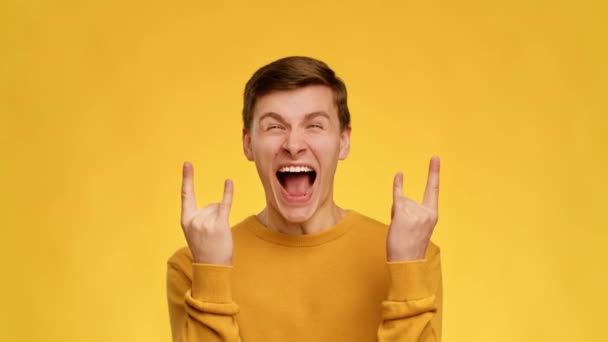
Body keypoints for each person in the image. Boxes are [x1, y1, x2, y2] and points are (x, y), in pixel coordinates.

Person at [166, 56, 442, 341]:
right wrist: (211, 275)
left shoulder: (415, 255)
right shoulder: (194, 265)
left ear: (343, 141)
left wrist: (407, 270)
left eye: (314, 125)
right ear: (248, 144)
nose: (294, 145)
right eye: (274, 126)